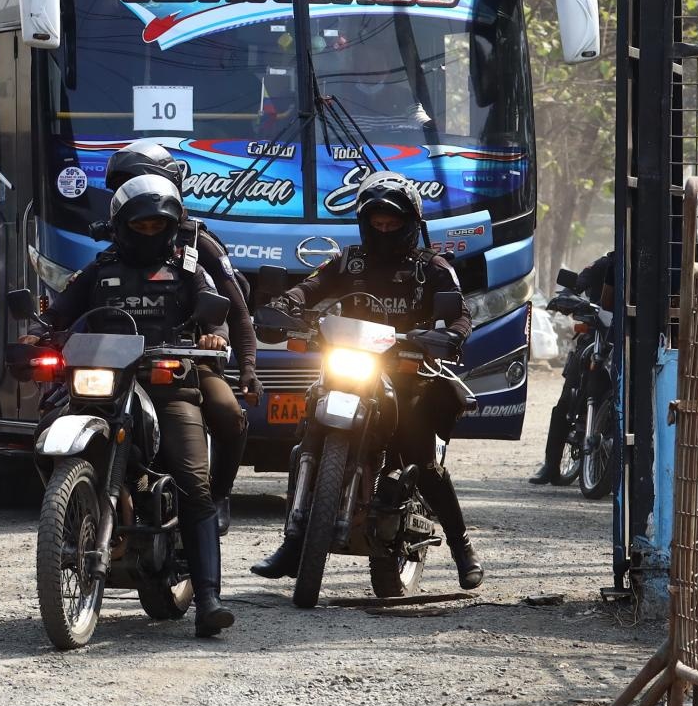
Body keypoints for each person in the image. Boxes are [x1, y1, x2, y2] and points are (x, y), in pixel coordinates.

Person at [249, 171, 484, 589]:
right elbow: (310, 287)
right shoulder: (347, 261)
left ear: (410, 222)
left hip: (407, 373)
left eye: (392, 223)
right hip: (349, 365)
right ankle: (293, 540)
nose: (384, 230)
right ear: (365, 223)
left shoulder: (432, 267)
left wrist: (449, 334)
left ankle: (462, 547)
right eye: (377, 223)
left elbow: (460, 313)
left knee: (419, 452)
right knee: (307, 436)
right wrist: (285, 304)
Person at [28, 172, 237, 638]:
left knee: (193, 482)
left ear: (169, 228)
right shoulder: (98, 272)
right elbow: (58, 313)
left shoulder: (187, 270)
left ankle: (208, 599)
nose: (148, 235)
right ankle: (72, 518)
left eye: (156, 228)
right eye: (139, 227)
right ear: (121, 226)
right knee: (44, 431)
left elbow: (215, 314)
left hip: (167, 384)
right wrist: (36, 333)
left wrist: (212, 336)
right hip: (102, 385)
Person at [96, 141, 258, 534]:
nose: (139, 195)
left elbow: (233, 309)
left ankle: (215, 495)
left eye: (146, 182)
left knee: (228, 413)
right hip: (117, 364)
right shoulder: (113, 244)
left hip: (185, 360)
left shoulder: (197, 243)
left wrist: (245, 365)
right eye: (129, 186)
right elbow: (78, 303)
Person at [530, 250, 615, 486]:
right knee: (567, 400)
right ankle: (551, 465)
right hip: (596, 337)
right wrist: (567, 297)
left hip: (625, 342)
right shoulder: (606, 264)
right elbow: (578, 283)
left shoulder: (644, 267)